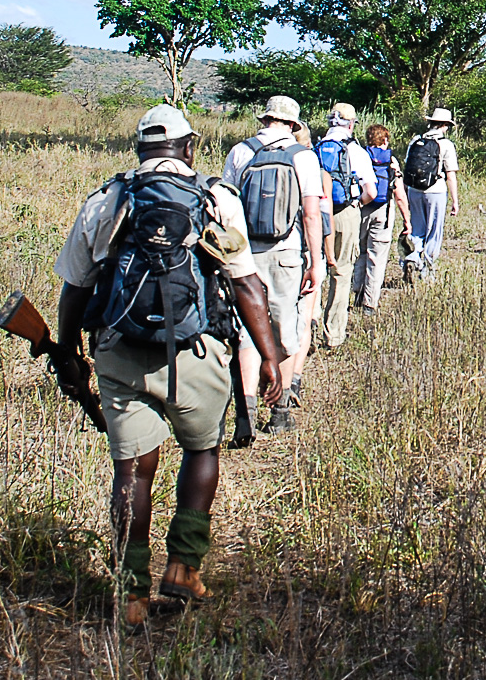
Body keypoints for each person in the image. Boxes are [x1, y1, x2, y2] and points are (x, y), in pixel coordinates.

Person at [53, 104, 285, 627]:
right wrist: (269, 354)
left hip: (121, 351)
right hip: (196, 353)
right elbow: (247, 284)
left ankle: (129, 592)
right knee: (202, 449)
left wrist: (70, 354)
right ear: (189, 148)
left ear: (140, 152)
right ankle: (182, 568)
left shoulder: (107, 199)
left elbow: (76, 287)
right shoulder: (214, 200)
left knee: (133, 471)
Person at [221, 95, 325, 436]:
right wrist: (315, 260)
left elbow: (226, 209)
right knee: (283, 329)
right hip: (286, 252)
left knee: (248, 330)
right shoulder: (303, 157)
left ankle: (246, 407)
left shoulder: (240, 152)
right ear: (293, 124)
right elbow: (310, 213)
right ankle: (279, 411)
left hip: (244, 255)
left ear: (264, 119)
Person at [315, 103, 377, 348]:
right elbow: (370, 191)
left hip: (315, 212)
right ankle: (333, 334)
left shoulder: (315, 148)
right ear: (351, 124)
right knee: (341, 272)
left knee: (315, 269)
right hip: (344, 213)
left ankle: (309, 322)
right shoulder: (356, 151)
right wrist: (356, 204)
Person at [353, 122, 410, 311]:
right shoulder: (391, 161)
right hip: (384, 211)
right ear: (385, 139)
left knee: (360, 252)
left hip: (362, 208)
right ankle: (370, 303)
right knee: (376, 257)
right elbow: (400, 194)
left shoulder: (360, 156)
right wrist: (406, 219)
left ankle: (357, 293)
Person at [401, 106, 460, 281]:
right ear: (444, 125)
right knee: (434, 230)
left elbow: (407, 168)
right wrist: (455, 201)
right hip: (436, 190)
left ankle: (412, 257)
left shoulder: (415, 141)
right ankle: (427, 270)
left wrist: (405, 192)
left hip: (414, 190)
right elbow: (450, 175)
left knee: (417, 228)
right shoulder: (446, 145)